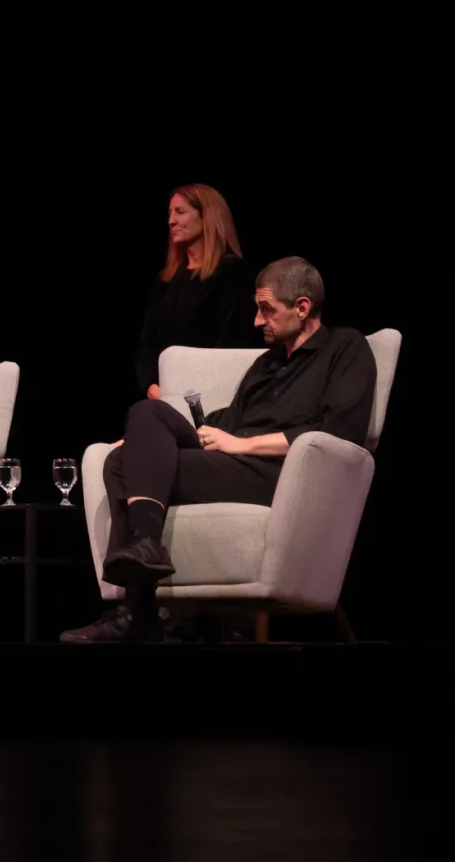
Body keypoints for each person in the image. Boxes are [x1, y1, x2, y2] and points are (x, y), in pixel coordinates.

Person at [61, 256, 377, 643]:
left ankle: (137, 613)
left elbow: (339, 431)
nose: (257, 321)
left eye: (266, 310)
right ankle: (146, 553)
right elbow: (221, 424)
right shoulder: (267, 364)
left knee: (125, 465)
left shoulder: (346, 348)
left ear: (302, 307)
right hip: (230, 463)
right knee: (137, 428)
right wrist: (146, 440)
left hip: (279, 476)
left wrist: (243, 445)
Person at [135, 183, 264, 401]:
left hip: (211, 395)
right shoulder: (166, 280)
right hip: (163, 395)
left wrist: (188, 388)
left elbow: (232, 342)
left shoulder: (232, 272)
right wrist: (152, 386)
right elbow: (147, 343)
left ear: (207, 217)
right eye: (170, 213)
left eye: (180, 212)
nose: (171, 221)